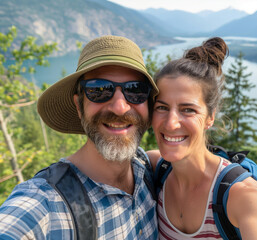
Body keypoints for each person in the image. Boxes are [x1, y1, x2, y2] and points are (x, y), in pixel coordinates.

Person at [0, 35, 159, 239]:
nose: (120, 107)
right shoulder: (45, 202)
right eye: (98, 90)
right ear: (78, 105)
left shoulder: (145, 168)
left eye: (136, 90)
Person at [147, 37, 257, 239]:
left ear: (210, 117)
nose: (170, 123)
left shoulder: (245, 198)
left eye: (188, 110)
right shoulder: (153, 168)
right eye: (162, 107)